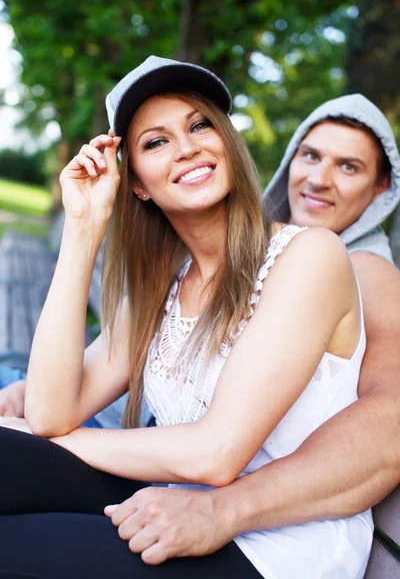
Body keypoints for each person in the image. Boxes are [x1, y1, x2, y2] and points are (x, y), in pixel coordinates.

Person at [0, 56, 370, 579]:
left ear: (226, 142)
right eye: (156, 142)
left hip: (278, 543)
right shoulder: (162, 284)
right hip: (174, 504)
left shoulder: (309, 256)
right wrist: (84, 226)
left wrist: (61, 440)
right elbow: (51, 410)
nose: (187, 147)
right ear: (138, 185)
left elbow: (216, 454)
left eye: (199, 125)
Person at [101, 94, 400, 567]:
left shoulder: (367, 269)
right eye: (311, 155)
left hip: (259, 525)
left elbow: (392, 420)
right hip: (160, 461)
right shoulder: (246, 252)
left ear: (381, 188)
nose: (319, 179)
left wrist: (224, 509)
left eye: (348, 167)